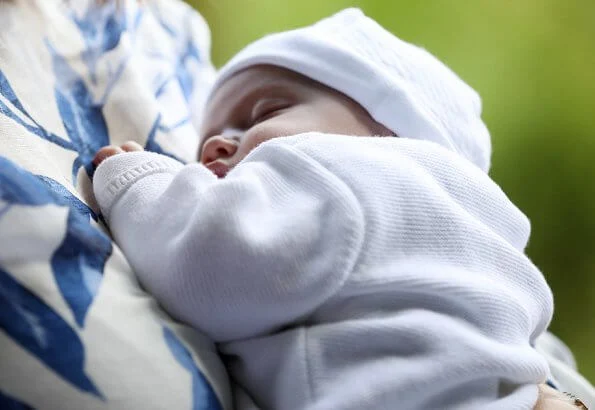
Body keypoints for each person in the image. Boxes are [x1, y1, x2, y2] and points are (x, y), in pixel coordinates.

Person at [92, 8, 588, 410]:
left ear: (387, 130)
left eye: (263, 112)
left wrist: (140, 182)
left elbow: (208, 262)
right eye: (209, 139)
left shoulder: (340, 170)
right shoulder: (486, 238)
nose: (218, 143)